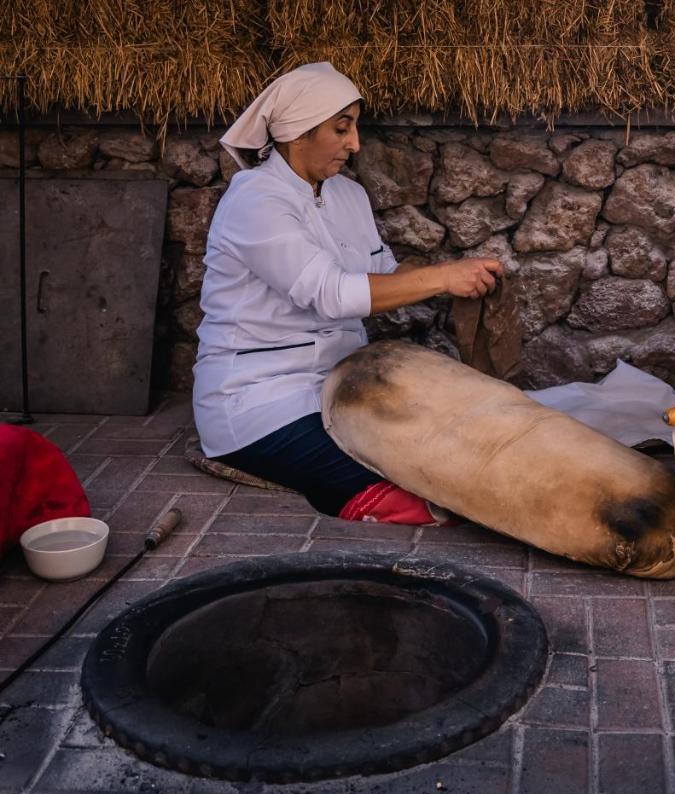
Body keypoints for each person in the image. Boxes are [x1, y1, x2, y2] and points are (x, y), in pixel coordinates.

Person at [193, 62, 503, 522]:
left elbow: (381, 274)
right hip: (259, 399)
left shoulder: (347, 196)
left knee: (457, 449)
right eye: (342, 129)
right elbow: (333, 294)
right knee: (416, 498)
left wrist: (455, 276)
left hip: (341, 384)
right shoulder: (254, 200)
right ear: (298, 133)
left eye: (353, 128)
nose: (354, 144)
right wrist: (442, 277)